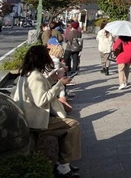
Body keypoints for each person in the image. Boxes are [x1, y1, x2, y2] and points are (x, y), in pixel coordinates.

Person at [12, 45, 81, 178]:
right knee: (73, 125)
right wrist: (60, 84)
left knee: (68, 125)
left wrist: (52, 78)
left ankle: (64, 164)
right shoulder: (35, 76)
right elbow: (41, 100)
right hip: (36, 122)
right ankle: (64, 166)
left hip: (29, 118)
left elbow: (39, 90)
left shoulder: (27, 73)